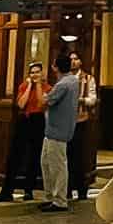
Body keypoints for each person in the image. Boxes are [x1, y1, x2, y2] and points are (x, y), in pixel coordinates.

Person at [0, 63, 48, 202]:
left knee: (34, 156)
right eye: (32, 72)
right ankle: (7, 191)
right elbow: (21, 104)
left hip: (38, 120)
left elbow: (41, 104)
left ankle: (29, 190)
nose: (34, 75)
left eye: (37, 72)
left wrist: (38, 85)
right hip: (24, 120)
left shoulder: (47, 87)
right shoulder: (23, 86)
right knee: (15, 155)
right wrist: (29, 86)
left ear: (42, 74)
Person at [38, 55, 80, 211]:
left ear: (55, 68)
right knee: (46, 163)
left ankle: (60, 200)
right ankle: (50, 196)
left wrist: (40, 87)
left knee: (57, 166)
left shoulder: (63, 84)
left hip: (57, 130)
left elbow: (44, 102)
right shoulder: (73, 80)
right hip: (55, 130)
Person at [65, 50, 98, 202]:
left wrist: (81, 100)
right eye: (71, 59)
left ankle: (81, 190)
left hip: (81, 121)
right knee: (66, 156)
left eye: (76, 59)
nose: (73, 62)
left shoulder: (88, 79)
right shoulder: (64, 78)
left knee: (80, 158)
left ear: (80, 62)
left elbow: (93, 99)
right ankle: (67, 189)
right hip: (65, 122)